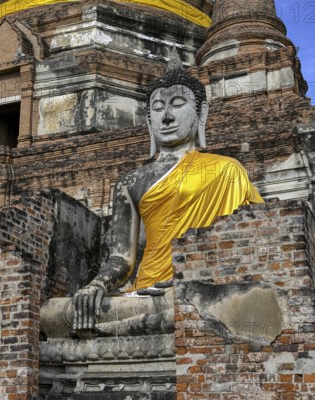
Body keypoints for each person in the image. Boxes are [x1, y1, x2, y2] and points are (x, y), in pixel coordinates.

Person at [72, 64, 264, 332]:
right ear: (149, 120)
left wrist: (196, 277)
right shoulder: (131, 181)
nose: (167, 117)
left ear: (201, 112)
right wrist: (97, 284)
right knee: (63, 312)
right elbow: (122, 259)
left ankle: (159, 317)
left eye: (177, 104)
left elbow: (242, 241)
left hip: (204, 286)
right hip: (147, 292)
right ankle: (149, 320)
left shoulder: (226, 169)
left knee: (221, 301)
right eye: (158, 108)